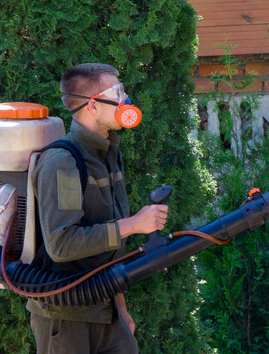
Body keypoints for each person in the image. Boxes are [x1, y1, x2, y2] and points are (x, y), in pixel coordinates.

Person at [27, 63, 168, 354]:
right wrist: (134, 224)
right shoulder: (63, 162)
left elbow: (109, 250)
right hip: (67, 319)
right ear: (93, 105)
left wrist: (121, 308)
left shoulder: (107, 154)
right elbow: (62, 244)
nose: (125, 100)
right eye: (117, 92)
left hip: (107, 311)